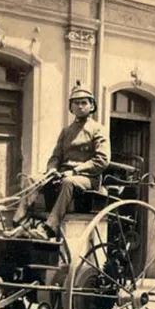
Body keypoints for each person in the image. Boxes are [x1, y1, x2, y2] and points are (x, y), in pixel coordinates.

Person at [27, 82, 111, 240]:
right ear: (70, 108)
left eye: (84, 103)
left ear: (92, 106)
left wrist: (75, 170)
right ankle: (20, 223)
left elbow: (102, 160)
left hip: (88, 178)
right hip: (63, 174)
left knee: (68, 182)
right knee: (33, 179)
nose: (80, 106)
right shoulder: (66, 131)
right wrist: (52, 169)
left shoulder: (98, 129)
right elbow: (56, 157)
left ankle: (49, 229)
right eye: (76, 103)